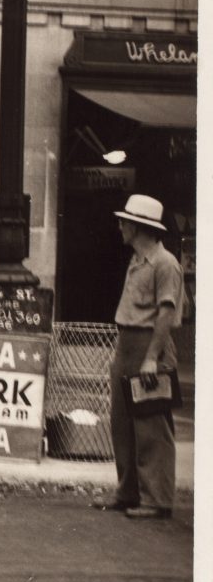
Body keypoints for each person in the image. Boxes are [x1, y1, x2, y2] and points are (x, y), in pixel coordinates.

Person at [92, 195, 185, 520]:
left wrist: (151, 358)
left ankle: (157, 499)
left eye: (124, 222)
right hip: (128, 343)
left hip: (150, 346)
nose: (120, 227)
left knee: (151, 425)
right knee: (123, 424)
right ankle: (128, 490)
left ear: (139, 227)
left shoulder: (165, 263)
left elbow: (166, 313)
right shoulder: (137, 261)